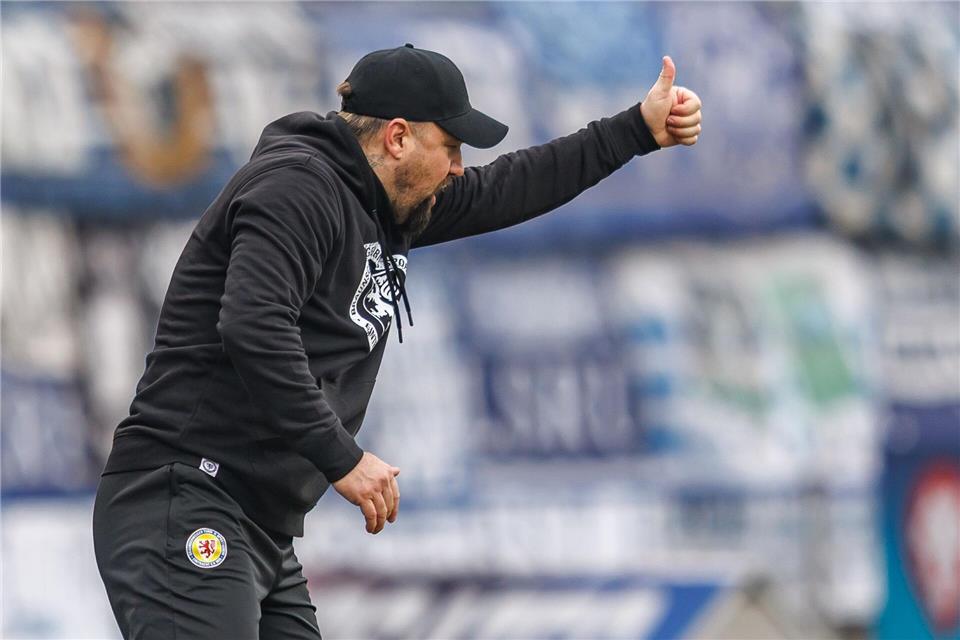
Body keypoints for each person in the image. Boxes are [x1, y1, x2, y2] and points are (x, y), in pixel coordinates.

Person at [93, 44, 702, 639]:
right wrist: (342, 458)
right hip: (185, 499)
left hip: (258, 526)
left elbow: (513, 186)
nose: (460, 166)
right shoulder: (297, 188)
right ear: (398, 137)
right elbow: (253, 325)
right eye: (452, 146)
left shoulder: (386, 204)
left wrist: (637, 130)